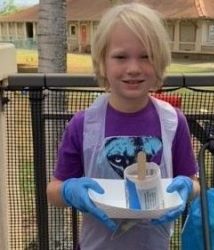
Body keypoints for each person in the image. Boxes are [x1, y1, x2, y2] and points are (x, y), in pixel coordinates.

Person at [46, 2, 200, 250]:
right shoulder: (83, 125)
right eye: (120, 57)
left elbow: (193, 182)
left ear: (160, 61)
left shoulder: (173, 122)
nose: (133, 68)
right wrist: (68, 191)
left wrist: (187, 188)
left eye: (146, 56)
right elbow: (53, 191)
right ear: (103, 62)